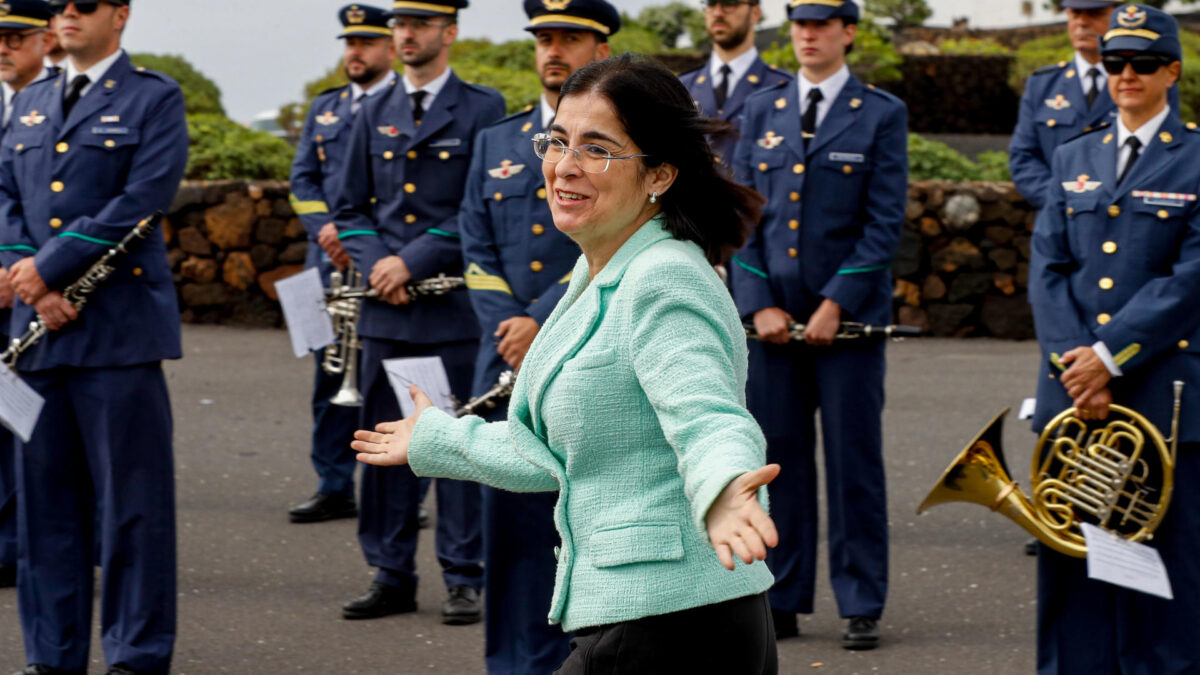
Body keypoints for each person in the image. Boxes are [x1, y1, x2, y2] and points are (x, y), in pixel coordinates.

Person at [353, 53, 780, 675]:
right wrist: (438, 439)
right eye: (556, 141)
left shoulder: (663, 280)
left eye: (597, 148)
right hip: (637, 616)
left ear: (659, 174)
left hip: (676, 625)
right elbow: (552, 451)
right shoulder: (600, 269)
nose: (564, 166)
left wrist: (723, 491)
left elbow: (707, 416)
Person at [0, 0, 188, 671]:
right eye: (60, 6)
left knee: (133, 513)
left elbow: (142, 198)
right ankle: (53, 655)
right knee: (45, 514)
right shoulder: (32, 99)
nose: (68, 15)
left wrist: (45, 269)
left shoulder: (152, 98)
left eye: (85, 4)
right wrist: (25, 275)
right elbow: (5, 197)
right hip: (38, 340)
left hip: (117, 337)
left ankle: (135, 656)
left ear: (121, 14)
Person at [728, 0, 907, 649]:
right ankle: (782, 595)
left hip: (848, 327)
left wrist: (837, 301)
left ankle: (861, 599)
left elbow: (884, 222)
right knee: (779, 463)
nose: (808, 34)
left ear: (847, 32)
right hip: (772, 324)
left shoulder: (882, 113)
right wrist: (756, 301)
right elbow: (742, 217)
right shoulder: (761, 110)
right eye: (800, 23)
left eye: (822, 23)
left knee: (854, 461)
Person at [1028, 6, 1200, 672]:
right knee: (1074, 570)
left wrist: (1106, 358)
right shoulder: (1073, 153)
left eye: (1144, 64)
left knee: (1164, 579)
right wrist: (1078, 365)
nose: (1127, 75)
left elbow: (1189, 281)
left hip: (1160, 395)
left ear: (1172, 72)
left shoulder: (1194, 158)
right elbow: (1049, 267)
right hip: (1074, 397)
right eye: (1115, 63)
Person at [332, 0, 505, 625]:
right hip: (386, 311)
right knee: (382, 449)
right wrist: (381, 261)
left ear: (448, 33)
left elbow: (481, 206)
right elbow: (346, 206)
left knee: (454, 445)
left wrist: (412, 261)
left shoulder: (483, 108)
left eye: (420, 25)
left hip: (450, 309)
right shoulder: (369, 108)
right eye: (399, 25)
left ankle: (464, 576)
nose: (405, 34)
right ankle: (389, 571)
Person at [456, 0, 616, 671]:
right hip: (504, 358)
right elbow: (474, 243)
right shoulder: (498, 139)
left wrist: (544, 318)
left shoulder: (621, 142)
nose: (554, 50)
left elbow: (621, 237)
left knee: (585, 523)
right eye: (544, 39)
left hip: (585, 352)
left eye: (570, 38)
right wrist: (509, 328)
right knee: (510, 528)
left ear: (600, 51)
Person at [285, 4, 396, 526]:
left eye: (367, 43)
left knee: (388, 379)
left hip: (380, 263)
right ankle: (333, 484)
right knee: (329, 375)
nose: (355, 52)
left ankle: (398, 490)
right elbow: (303, 179)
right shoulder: (324, 108)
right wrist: (324, 228)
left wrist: (359, 237)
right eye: (349, 43)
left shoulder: (402, 106)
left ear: (390, 48)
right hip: (325, 263)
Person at [0, 0, 55, 594]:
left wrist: (14, 270)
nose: (3, 46)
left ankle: (20, 546)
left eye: (15, 35)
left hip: (32, 289)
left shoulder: (57, 104)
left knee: (30, 426)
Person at [1010, 0, 1122, 210]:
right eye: (1074, 14)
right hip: (1059, 221)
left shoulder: (1142, 83)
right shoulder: (1042, 84)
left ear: (1117, 16)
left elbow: (1160, 156)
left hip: (1121, 220)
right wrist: (1060, 201)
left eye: (1094, 13)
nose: (1081, 22)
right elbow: (1023, 156)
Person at [679, 0, 791, 165]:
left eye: (729, 3)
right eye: (711, 4)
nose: (718, 13)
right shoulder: (682, 87)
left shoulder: (786, 89)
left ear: (755, 13)